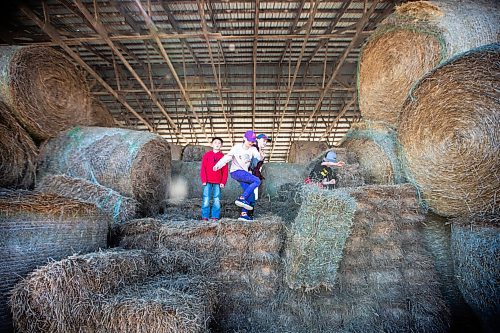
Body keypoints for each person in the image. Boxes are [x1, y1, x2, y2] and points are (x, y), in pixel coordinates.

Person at [213, 130, 264, 221]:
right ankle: (242, 198)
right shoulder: (237, 147)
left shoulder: (253, 149)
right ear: (244, 138)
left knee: (251, 194)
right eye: (249, 140)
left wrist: (260, 148)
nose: (251, 143)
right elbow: (227, 157)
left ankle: (243, 214)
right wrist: (218, 165)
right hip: (236, 171)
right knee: (257, 181)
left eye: (253, 141)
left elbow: (259, 158)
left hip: (244, 173)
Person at [200, 137, 228, 221]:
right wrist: (204, 180)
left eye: (219, 143)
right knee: (206, 198)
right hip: (207, 181)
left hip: (218, 182)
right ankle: (205, 216)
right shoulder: (207, 155)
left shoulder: (223, 157)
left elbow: (225, 171)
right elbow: (203, 168)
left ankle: (215, 216)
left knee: (216, 199)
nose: (217, 144)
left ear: (221, 146)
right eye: (215, 142)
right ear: (212, 144)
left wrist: (223, 182)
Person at [247, 133, 272, 218]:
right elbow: (250, 162)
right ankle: (247, 214)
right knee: (250, 195)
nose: (265, 142)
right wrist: (249, 170)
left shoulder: (260, 151)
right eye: (263, 140)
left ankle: (250, 214)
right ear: (257, 139)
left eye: (266, 141)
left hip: (255, 174)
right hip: (250, 173)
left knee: (253, 195)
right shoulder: (253, 149)